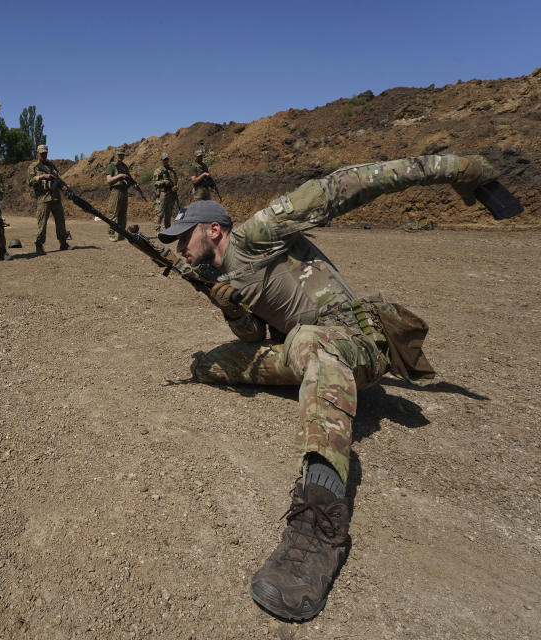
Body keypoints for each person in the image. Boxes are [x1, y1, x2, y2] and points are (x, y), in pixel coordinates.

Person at [156, 154, 500, 622]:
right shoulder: (219, 273)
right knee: (208, 364)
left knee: (310, 339)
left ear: (213, 229)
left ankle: (318, 522)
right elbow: (255, 338)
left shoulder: (258, 233)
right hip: (304, 350)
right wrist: (232, 310)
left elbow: (345, 185)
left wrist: (455, 168)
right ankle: (313, 382)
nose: (178, 247)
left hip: (355, 344)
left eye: (183, 237)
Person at [26, 144, 70, 255]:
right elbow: (29, 181)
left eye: (45, 153)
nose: (43, 155)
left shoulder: (51, 165)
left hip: (55, 197)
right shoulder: (33, 166)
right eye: (41, 153)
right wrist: (41, 177)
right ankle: (39, 245)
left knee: (60, 221)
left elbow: (58, 179)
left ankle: (63, 242)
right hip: (43, 198)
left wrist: (64, 186)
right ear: (37, 154)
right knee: (42, 223)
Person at [104, 146, 131, 241]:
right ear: (115, 155)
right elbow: (109, 180)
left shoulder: (124, 166)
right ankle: (111, 234)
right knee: (113, 213)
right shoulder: (111, 166)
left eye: (122, 155)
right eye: (119, 155)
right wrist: (119, 176)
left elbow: (129, 179)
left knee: (123, 214)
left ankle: (122, 234)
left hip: (124, 191)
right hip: (116, 191)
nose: (121, 156)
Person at [152, 152, 180, 232]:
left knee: (169, 212)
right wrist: (163, 182)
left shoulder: (172, 170)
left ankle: (168, 229)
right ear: (161, 160)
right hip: (162, 194)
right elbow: (155, 182)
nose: (166, 161)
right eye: (164, 159)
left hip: (171, 193)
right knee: (160, 212)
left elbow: (176, 180)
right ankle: (157, 230)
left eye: (167, 159)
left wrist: (176, 187)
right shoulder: (158, 170)